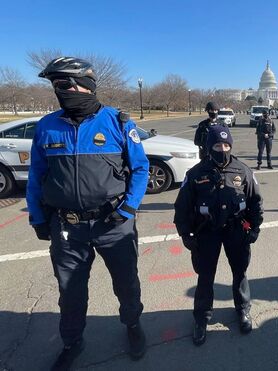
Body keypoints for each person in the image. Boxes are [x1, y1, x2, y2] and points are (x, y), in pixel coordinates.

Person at [27, 57, 149, 370]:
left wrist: (129, 207)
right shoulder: (46, 127)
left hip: (114, 222)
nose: (61, 91)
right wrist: (38, 219)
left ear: (88, 85)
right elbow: (36, 176)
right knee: (70, 292)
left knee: (126, 283)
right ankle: (71, 341)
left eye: (66, 84)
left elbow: (140, 168)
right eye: (56, 86)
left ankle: (133, 325)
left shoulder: (118, 122)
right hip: (67, 228)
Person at [173, 125, 263, 346]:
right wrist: (185, 234)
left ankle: (243, 310)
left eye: (226, 144)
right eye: (216, 145)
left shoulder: (243, 171)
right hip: (207, 232)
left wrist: (255, 228)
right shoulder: (195, 174)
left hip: (236, 230)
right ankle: (201, 319)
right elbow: (182, 207)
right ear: (208, 146)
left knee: (240, 272)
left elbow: (255, 202)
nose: (222, 149)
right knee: (205, 276)